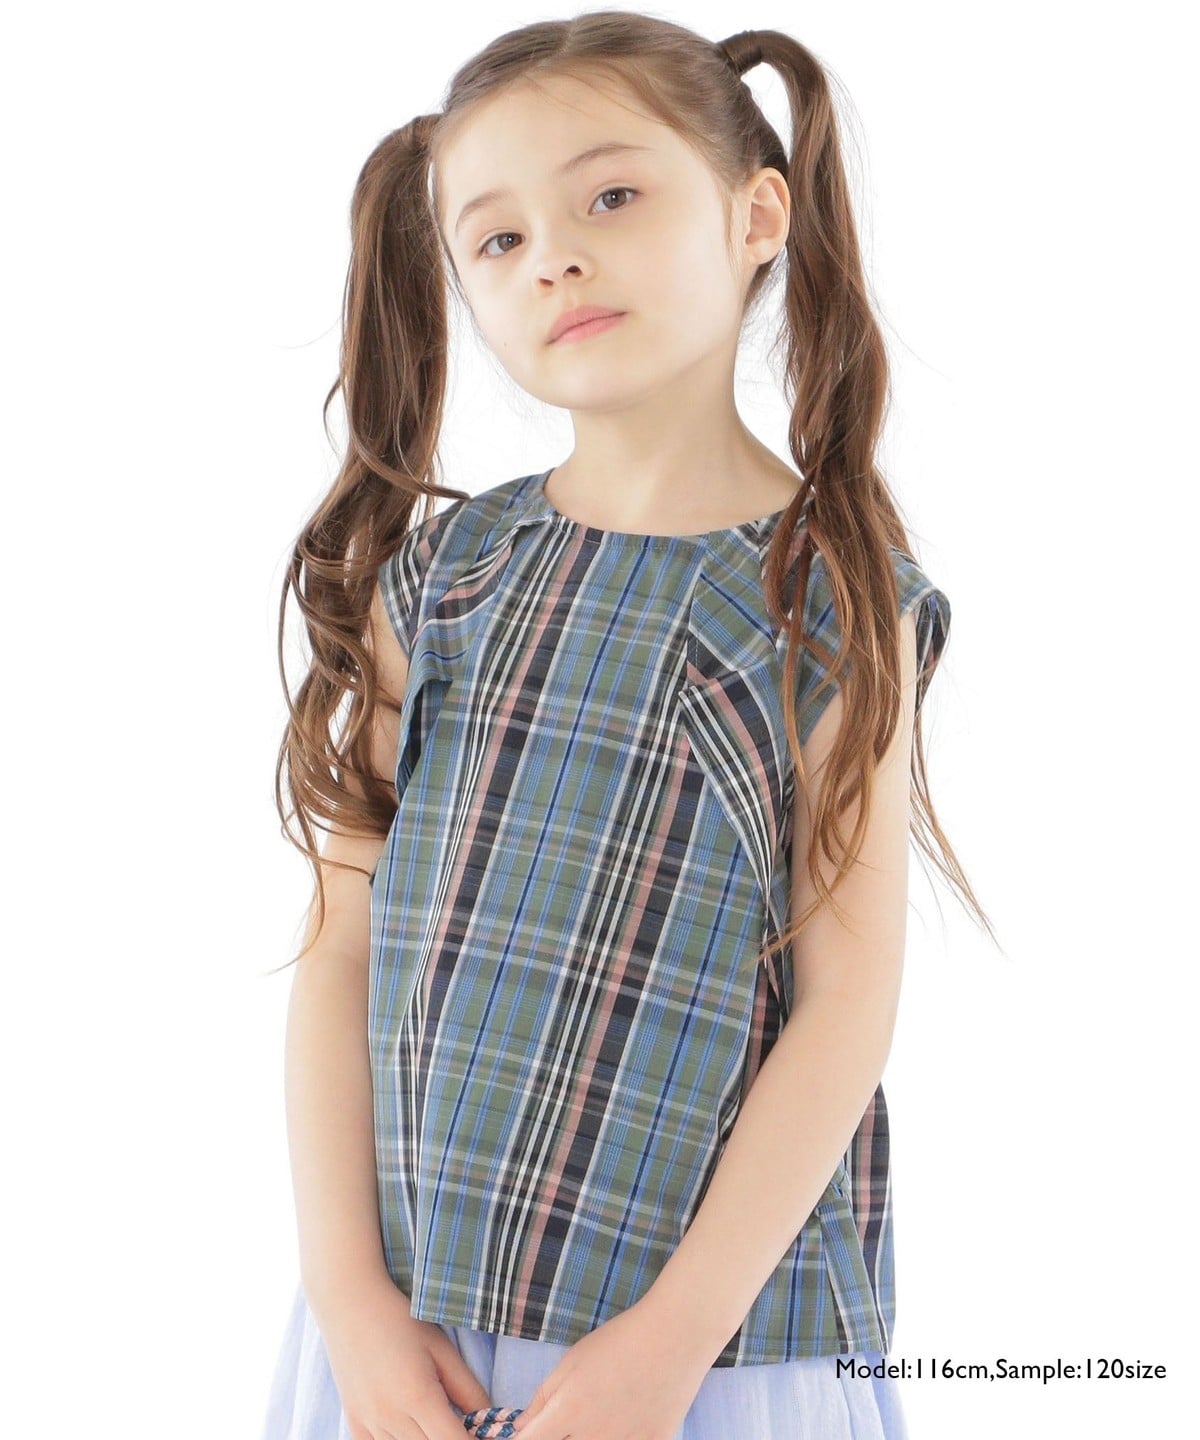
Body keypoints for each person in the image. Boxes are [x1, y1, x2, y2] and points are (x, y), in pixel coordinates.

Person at [260, 11, 989, 1440]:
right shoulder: (445, 578)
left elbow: (846, 1006)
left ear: (756, 215)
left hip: (704, 1352)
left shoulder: (833, 602)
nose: (556, 259)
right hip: (414, 1331)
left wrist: (667, 1346)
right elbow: (339, 953)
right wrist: (349, 1300)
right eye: (500, 238)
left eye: (609, 197)